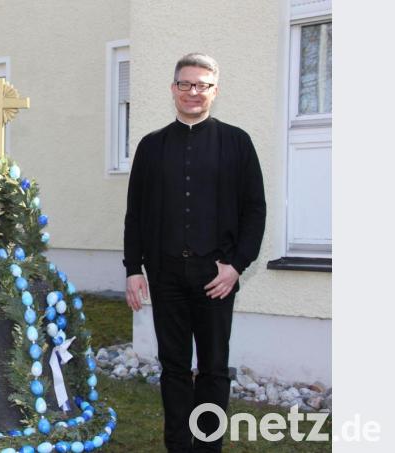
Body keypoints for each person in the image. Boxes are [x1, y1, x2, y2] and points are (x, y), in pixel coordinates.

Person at [122, 53, 266, 452]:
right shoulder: (151, 147)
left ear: (215, 91)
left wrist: (237, 266)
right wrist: (134, 269)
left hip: (216, 276)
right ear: (173, 89)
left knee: (214, 370)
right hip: (165, 275)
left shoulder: (237, 143)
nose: (193, 92)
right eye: (185, 84)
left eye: (202, 85)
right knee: (173, 367)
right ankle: (179, 446)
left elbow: (255, 209)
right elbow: (135, 214)